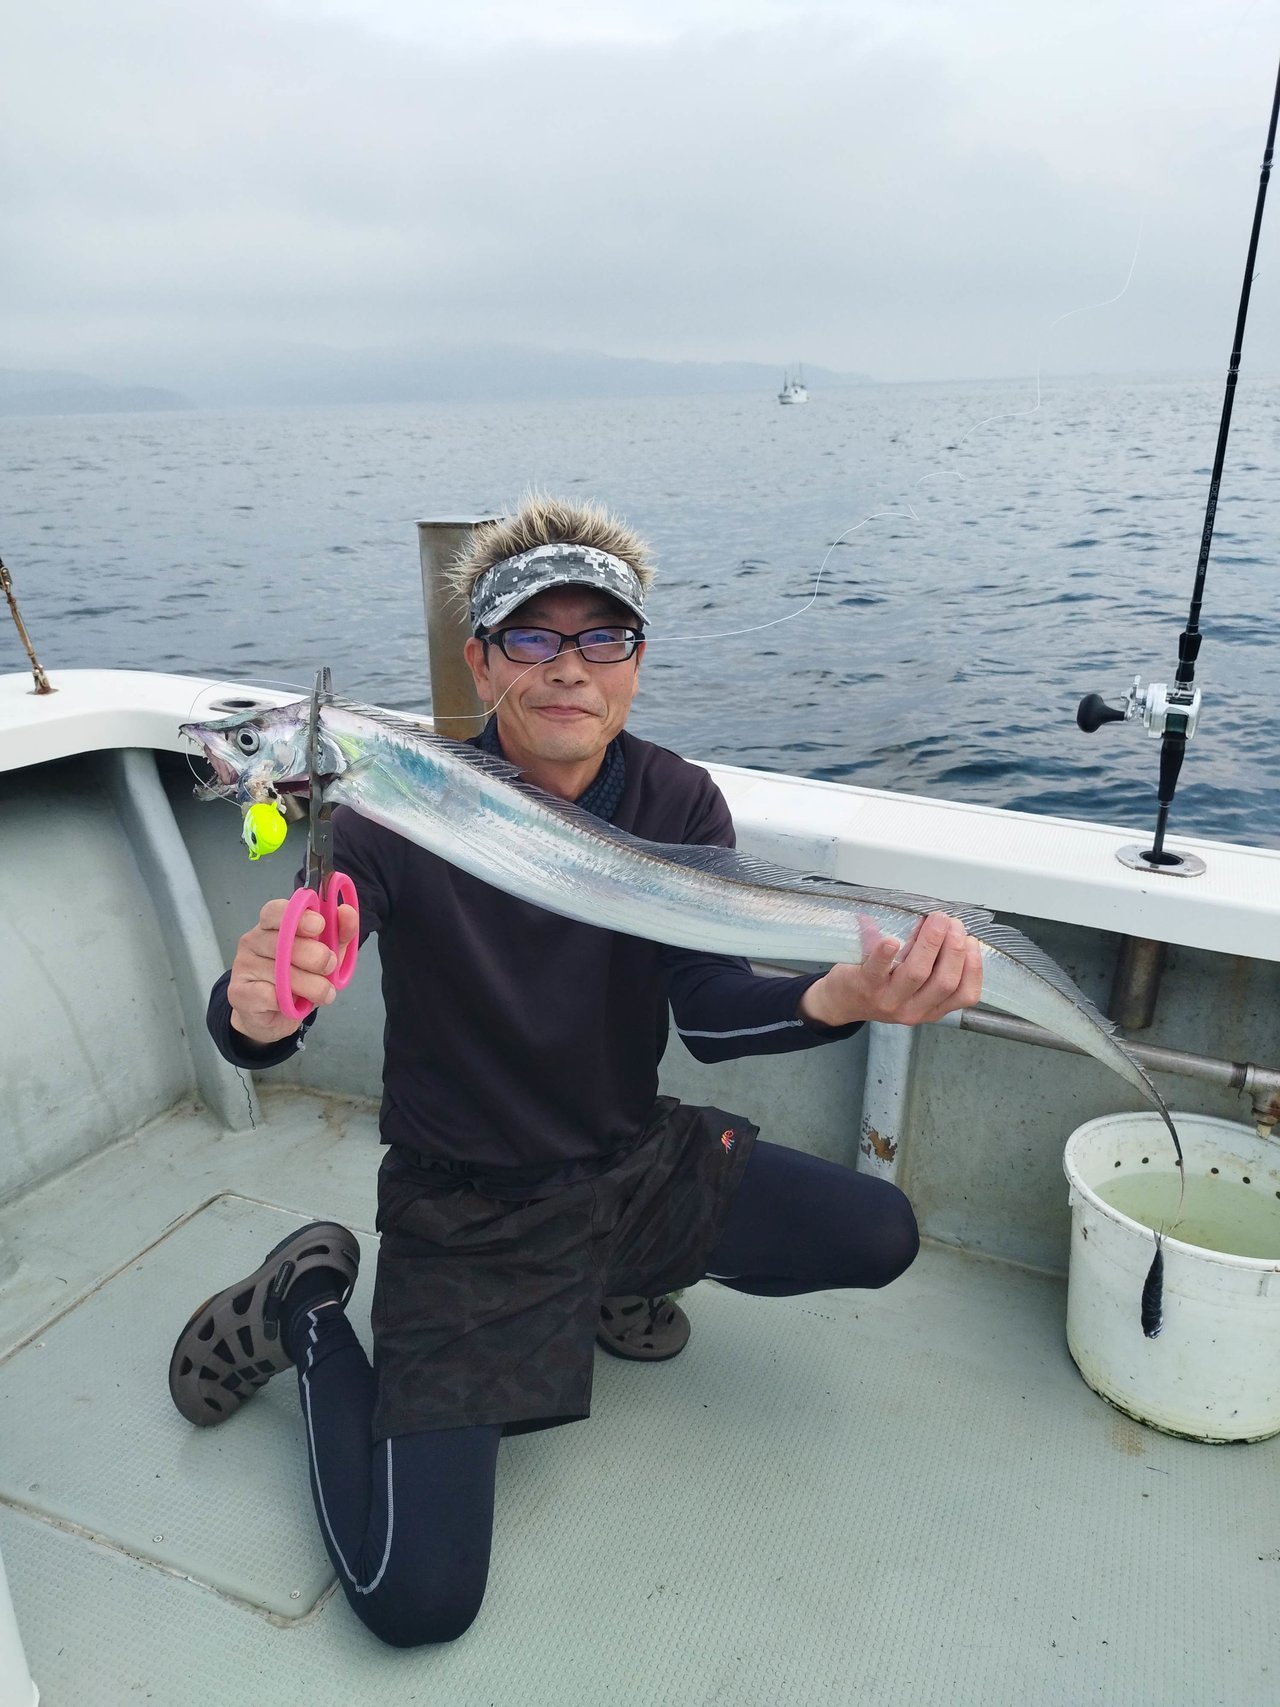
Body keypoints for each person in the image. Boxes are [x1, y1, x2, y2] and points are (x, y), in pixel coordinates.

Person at [171, 495, 983, 1648]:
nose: (568, 666)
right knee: (416, 1598)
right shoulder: (393, 805)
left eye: (602, 637)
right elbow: (285, 982)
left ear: (636, 662)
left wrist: (837, 999)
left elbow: (710, 1016)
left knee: (875, 1233)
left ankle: (611, 1277)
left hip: (625, 1159)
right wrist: (259, 1010)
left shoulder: (674, 798)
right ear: (480, 662)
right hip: (467, 1208)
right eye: (531, 637)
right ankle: (301, 1305)